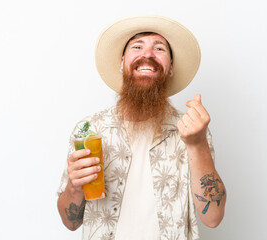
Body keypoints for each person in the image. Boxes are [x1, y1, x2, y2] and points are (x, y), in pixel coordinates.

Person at [57, 15, 226, 240]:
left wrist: (198, 144)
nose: (147, 54)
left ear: (171, 67)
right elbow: (71, 223)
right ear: (121, 62)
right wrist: (74, 188)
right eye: (137, 46)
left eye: (159, 48)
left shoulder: (190, 130)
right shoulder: (90, 130)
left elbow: (212, 218)